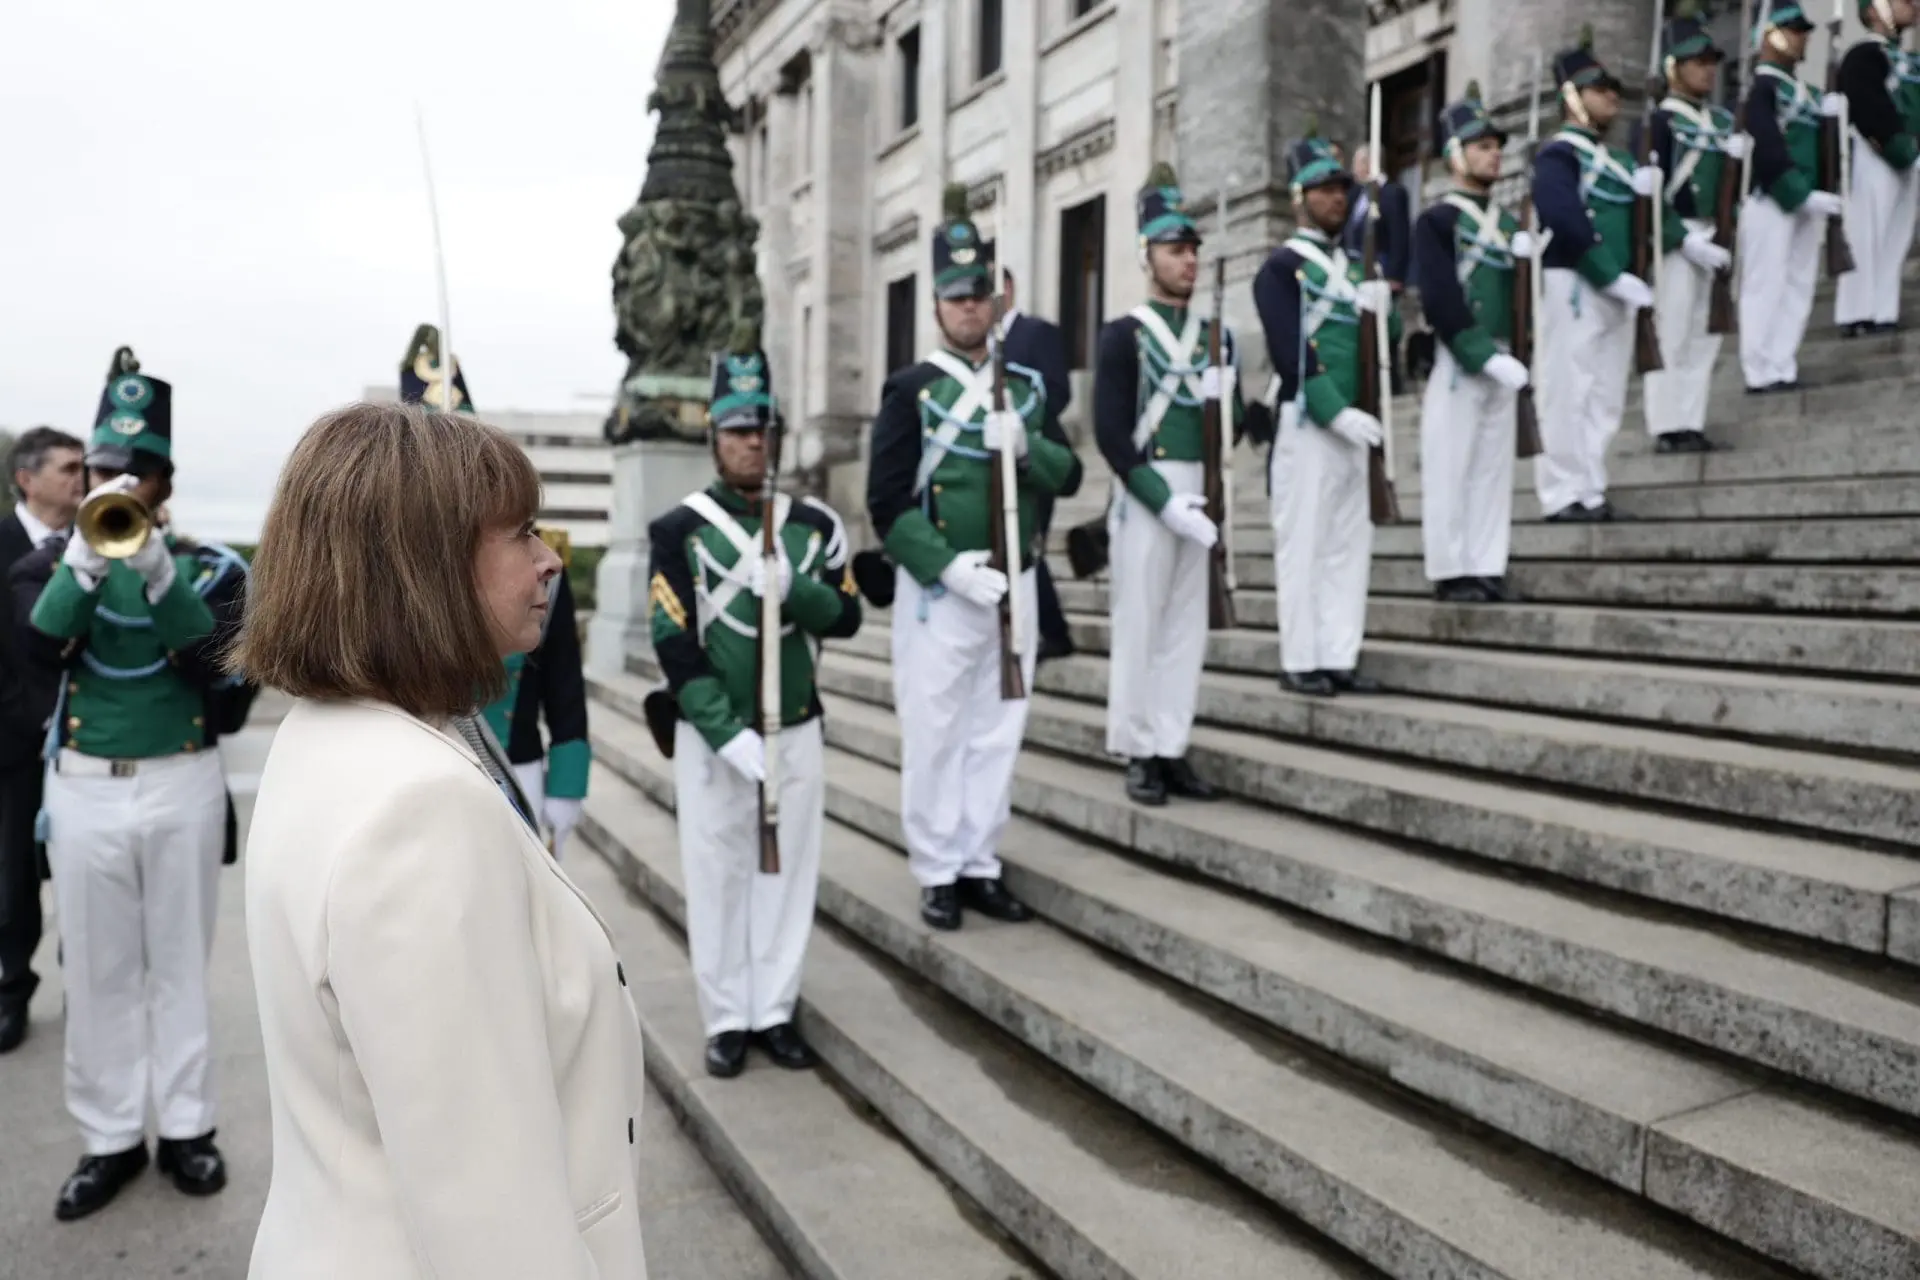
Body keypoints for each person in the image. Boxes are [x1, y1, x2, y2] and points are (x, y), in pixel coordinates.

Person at [236, 402, 647, 1279]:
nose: (548, 563)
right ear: (422, 566)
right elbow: (491, 1225)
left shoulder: (326, 732)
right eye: (522, 534)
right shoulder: (421, 808)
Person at [13, 350, 248, 1220]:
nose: (114, 481)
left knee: (180, 965)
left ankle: (189, 1129)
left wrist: (158, 575)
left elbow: (219, 683)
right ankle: (109, 1137)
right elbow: (38, 653)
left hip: (180, 775)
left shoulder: (210, 568)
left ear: (164, 482)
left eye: (133, 470)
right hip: (84, 788)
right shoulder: (48, 567)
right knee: (102, 971)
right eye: (103, 468)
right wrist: (85, 563)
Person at [867, 183, 1082, 931]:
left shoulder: (1023, 388)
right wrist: (946, 566)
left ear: (996, 303)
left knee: (1000, 729)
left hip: (1014, 582)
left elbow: (1070, 474)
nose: (969, 308)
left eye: (979, 296)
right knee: (936, 731)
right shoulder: (911, 391)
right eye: (956, 297)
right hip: (944, 590)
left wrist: (1030, 444)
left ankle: (981, 859)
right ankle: (936, 867)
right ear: (937, 306)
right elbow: (886, 505)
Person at [646, 326, 860, 1079]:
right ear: (714, 434)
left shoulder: (812, 525)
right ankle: (727, 1015)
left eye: (762, 429)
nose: (752, 444)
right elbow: (672, 638)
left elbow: (847, 615)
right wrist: (722, 728)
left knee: (787, 872)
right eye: (738, 430)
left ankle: (774, 1007)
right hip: (718, 737)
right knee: (716, 872)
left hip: (796, 728)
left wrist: (794, 588)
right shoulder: (677, 532)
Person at [397, 325, 590, 855]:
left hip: (514, 762)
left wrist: (566, 781)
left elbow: (563, 683)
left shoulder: (533, 563)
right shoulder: (387, 575)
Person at [1092, 162, 1243, 805]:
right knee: (1141, 625)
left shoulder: (1219, 338)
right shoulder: (1124, 335)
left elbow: (1224, 436)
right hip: (1147, 492)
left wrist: (1226, 408)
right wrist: (1163, 501)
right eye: (1174, 249)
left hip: (1202, 492)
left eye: (1192, 249)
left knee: (1187, 626)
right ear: (1145, 254)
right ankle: (1136, 749)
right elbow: (1109, 432)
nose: (1188, 260)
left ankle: (1171, 743)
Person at [1253, 131, 1398, 697]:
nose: (1335, 198)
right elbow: (1291, 353)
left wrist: (1382, 313)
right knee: (1305, 546)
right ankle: (1301, 658)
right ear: (1299, 198)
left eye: (1341, 188)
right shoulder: (1281, 268)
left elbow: (1381, 349)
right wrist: (1336, 413)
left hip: (1356, 422)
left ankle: (1339, 654)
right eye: (1323, 189)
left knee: (1347, 546)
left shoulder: (1359, 267)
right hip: (1310, 421)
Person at [1412, 85, 1533, 605]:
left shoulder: (1510, 224)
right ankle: (1450, 567)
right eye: (1481, 146)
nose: (1494, 153)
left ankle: (1486, 562)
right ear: (1455, 155)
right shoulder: (1438, 220)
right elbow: (1440, 298)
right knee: (1452, 463)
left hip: (1506, 354)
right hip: (1463, 357)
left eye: (1495, 146)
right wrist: (1484, 356)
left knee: (1491, 465)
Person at [1531, 28, 1658, 522]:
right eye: (1600, 90)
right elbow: (1564, 217)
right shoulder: (1558, 154)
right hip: (1577, 281)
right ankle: (1561, 491)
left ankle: (1591, 484)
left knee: (1605, 393)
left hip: (1617, 286)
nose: (1611, 98)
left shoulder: (1622, 160)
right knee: (1569, 388)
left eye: (1612, 91)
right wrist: (1608, 273)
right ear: (1572, 97)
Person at [0, 425, 83, 1054]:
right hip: (13, 743)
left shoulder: (101, 537)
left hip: (86, 742)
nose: (81, 478)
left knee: (83, 877)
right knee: (12, 880)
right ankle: (11, 992)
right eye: (67, 468)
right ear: (26, 479)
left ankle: (86, 988)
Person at [1641, 10, 1743, 454]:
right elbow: (1649, 192)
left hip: (1713, 235)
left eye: (1710, 60)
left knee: (1705, 335)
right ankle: (1667, 425)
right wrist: (1681, 239)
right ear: (1673, 67)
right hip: (1677, 238)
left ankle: (1691, 419)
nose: (1707, 68)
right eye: (1696, 60)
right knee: (1674, 332)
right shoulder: (1659, 123)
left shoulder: (1721, 122)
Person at [1741, 1, 1845, 392]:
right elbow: (1768, 145)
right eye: (1795, 30)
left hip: (1809, 199)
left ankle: (1782, 363)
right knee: (1766, 284)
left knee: (1799, 283)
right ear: (1772, 34)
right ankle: (1758, 367)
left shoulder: (1807, 91)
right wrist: (1797, 194)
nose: (1803, 38)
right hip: (1776, 198)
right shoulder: (1761, 87)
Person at [997, 268, 1075, 662]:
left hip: (1038, 457)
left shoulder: (1036, 332)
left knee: (1029, 545)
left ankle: (1054, 632)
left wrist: (1025, 425)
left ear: (1008, 288)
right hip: (996, 464)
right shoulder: (985, 342)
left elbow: (1059, 391)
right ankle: (1043, 628)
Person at [1836, 0, 1920, 336]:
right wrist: (1899, 148)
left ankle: (1884, 309)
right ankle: (1856, 311)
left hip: (1909, 155)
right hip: (1876, 152)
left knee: (1895, 236)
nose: (1913, 5)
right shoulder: (1865, 55)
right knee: (1865, 233)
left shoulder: (1908, 59)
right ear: (1875, 9)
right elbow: (1868, 105)